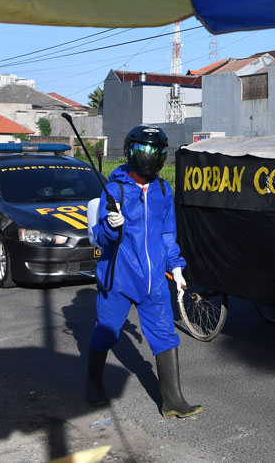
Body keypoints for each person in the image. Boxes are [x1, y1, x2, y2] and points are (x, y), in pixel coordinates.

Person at [86, 125, 202, 418]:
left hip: (153, 283)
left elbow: (167, 234)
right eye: (142, 151)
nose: (148, 158)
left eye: (154, 152)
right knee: (106, 333)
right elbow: (100, 237)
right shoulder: (114, 190)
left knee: (165, 335)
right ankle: (93, 382)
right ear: (130, 151)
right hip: (119, 279)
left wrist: (176, 268)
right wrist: (111, 226)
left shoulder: (164, 190)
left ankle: (173, 401)